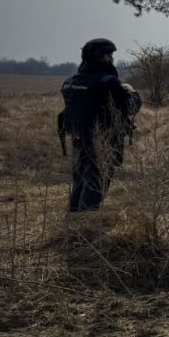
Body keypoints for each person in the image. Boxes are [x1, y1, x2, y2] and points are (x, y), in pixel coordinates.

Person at [59, 38, 141, 212]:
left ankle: (74, 217)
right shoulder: (107, 81)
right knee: (98, 180)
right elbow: (130, 107)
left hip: (78, 137)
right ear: (104, 57)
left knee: (81, 178)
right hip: (103, 139)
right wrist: (131, 92)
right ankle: (86, 223)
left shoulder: (70, 80)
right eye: (110, 55)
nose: (112, 58)